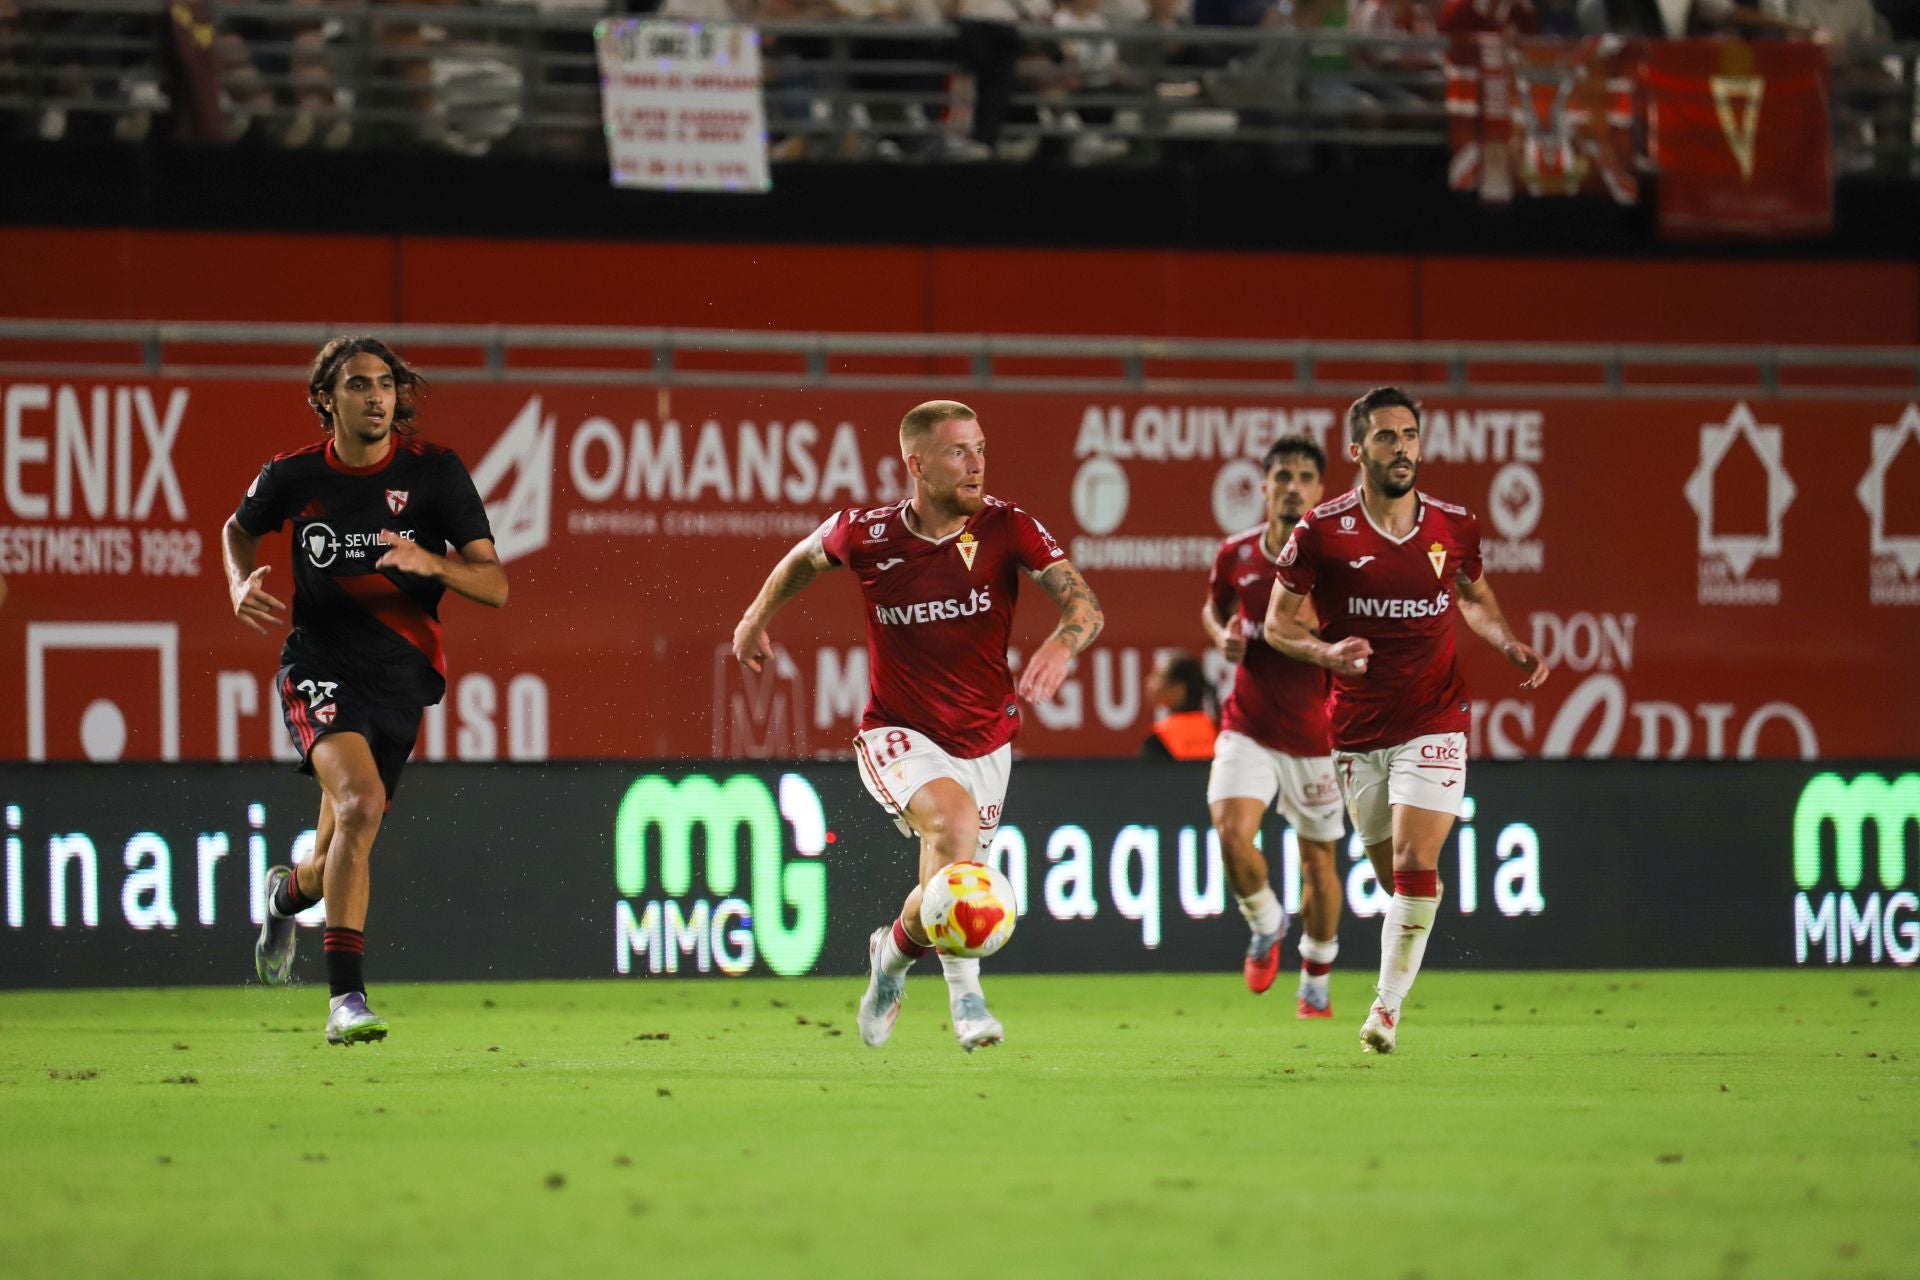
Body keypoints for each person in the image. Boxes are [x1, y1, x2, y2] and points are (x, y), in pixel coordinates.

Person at [731, 399, 1103, 1053]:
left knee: (945, 889)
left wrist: (1063, 644)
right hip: (898, 732)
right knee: (953, 830)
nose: (976, 464)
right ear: (916, 463)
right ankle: (967, 999)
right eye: (959, 451)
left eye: (981, 449)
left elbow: (1083, 602)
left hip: (986, 740)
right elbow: (800, 560)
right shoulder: (867, 533)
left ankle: (892, 958)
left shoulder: (1007, 527)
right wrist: (754, 620)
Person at [222, 337, 507, 1046]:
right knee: (360, 802)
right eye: (358, 385)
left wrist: (431, 563)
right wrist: (237, 583)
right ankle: (346, 1000)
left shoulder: (435, 473)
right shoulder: (292, 475)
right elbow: (237, 529)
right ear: (327, 399)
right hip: (317, 665)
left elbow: (495, 586)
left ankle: (284, 896)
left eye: (385, 384)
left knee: (335, 853)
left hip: (399, 682)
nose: (377, 396)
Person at [1264, 387, 1547, 1054]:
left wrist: (1506, 642)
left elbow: (1474, 596)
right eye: (1386, 437)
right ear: (1357, 450)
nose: (1402, 448)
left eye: (1410, 435)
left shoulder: (1454, 525)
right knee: (1398, 879)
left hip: (1436, 716)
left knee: (1421, 864)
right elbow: (1277, 624)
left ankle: (1384, 1011)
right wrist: (1326, 652)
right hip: (1358, 732)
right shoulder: (1322, 531)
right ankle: (1392, 983)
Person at [1201, 437, 1348, 1017]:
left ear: (1320, 491)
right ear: (1263, 486)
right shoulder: (1236, 554)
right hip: (1249, 726)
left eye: (1306, 476)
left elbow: (1364, 642)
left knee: (1319, 864)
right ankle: (1266, 923)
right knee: (1231, 834)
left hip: (1316, 737)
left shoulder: (1335, 566)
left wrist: (1321, 635)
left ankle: (1316, 972)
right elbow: (1213, 606)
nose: (1293, 485)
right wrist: (1221, 636)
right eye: (1282, 475)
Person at [1140, 650, 1219, 760]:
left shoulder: (1157, 740)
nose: (1148, 681)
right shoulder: (1219, 731)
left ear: (1180, 688)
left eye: (1157, 675)